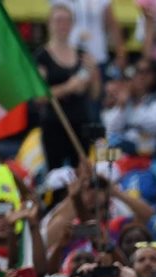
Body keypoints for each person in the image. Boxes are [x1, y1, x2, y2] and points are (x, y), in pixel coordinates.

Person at [34, 2, 99, 170]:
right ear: (49, 23)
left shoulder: (82, 54)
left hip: (80, 124)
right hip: (55, 125)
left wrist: (94, 74)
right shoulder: (42, 56)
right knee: (56, 175)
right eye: (58, 20)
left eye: (67, 20)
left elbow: (94, 94)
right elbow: (39, 97)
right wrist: (68, 87)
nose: (63, 25)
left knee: (81, 173)